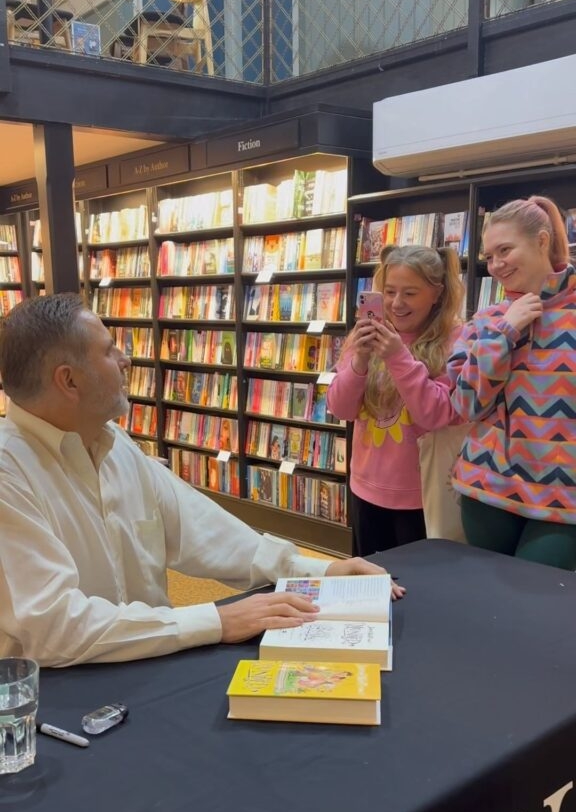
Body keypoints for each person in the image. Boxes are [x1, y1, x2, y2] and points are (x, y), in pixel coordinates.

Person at [0, 294, 404, 668]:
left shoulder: (114, 444)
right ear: (69, 381)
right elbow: (54, 627)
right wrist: (215, 620)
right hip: (57, 701)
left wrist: (318, 571)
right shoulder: (9, 474)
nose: (126, 360)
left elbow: (206, 532)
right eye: (109, 351)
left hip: (151, 667)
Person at [447, 195, 576, 569]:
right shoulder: (487, 320)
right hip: (485, 492)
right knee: (492, 601)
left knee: (539, 609)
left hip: (563, 496)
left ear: (541, 240)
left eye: (505, 250)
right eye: (489, 256)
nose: (496, 265)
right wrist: (504, 332)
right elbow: (465, 405)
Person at [327, 245, 464, 556]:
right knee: (371, 586)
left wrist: (397, 357)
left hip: (423, 497)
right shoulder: (368, 334)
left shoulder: (455, 340)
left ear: (437, 294)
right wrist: (359, 360)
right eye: (389, 292)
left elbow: (436, 415)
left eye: (410, 293)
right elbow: (341, 408)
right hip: (365, 489)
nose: (396, 303)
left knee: (419, 592)